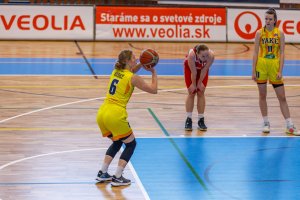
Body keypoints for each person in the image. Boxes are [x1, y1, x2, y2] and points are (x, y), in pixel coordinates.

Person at [96, 49, 157, 186]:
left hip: (102, 113)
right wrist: (153, 73)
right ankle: (118, 176)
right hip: (115, 115)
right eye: (134, 57)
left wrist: (141, 63)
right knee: (131, 144)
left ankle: (102, 173)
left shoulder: (115, 70)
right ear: (127, 61)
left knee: (117, 142)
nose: (136, 58)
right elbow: (154, 90)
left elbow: (131, 71)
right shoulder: (133, 78)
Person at [252, 8, 297, 135]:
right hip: (261, 65)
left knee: (282, 96)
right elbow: (255, 52)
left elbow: (282, 53)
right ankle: (266, 122)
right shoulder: (259, 33)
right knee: (262, 95)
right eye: (266, 18)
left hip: (274, 67)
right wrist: (253, 70)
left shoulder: (280, 33)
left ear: (275, 20)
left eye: (270, 19)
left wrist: (280, 70)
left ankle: (289, 124)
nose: (267, 21)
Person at [184, 44, 215, 131]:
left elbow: (204, 70)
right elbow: (193, 72)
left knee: (201, 92)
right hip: (190, 69)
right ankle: (188, 119)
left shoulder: (211, 56)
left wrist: (200, 83)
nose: (205, 58)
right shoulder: (192, 55)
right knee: (192, 92)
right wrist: (194, 84)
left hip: (202, 70)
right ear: (197, 54)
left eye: (206, 55)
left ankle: (201, 119)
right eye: (203, 56)